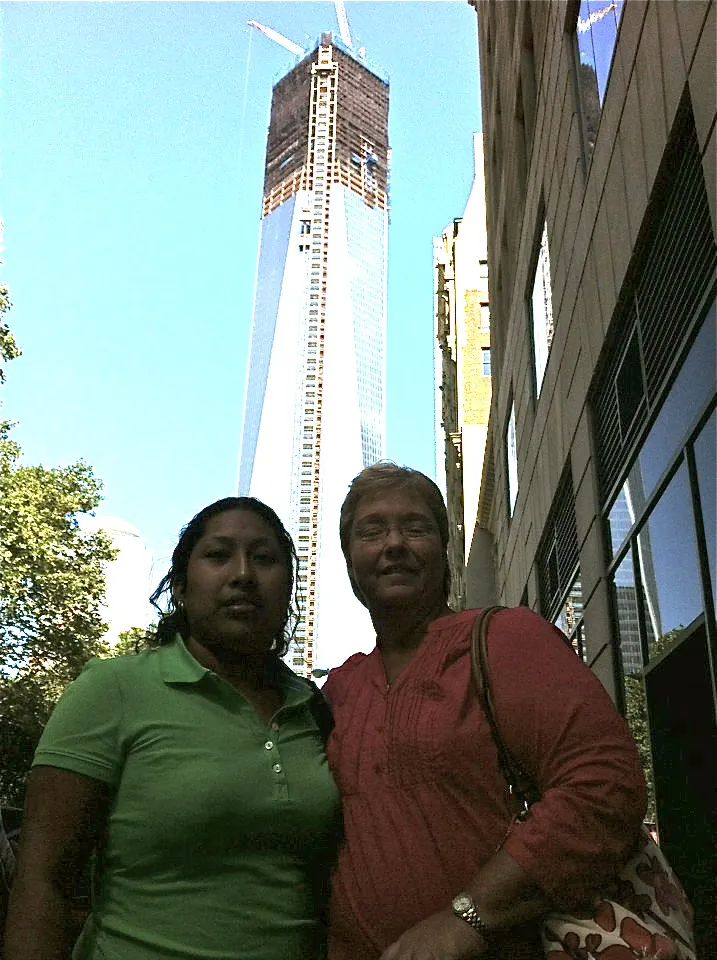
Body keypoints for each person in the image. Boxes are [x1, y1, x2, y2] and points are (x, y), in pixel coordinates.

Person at [323, 463, 647, 960]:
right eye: (372, 531)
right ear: (348, 562)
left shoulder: (505, 638)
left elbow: (605, 783)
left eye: (415, 528)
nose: (394, 543)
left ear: (444, 551)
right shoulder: (339, 691)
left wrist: (467, 917)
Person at [4, 497, 341, 960]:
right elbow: (43, 881)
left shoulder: (313, 708)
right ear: (180, 586)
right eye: (218, 555)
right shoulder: (113, 688)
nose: (243, 574)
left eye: (264, 559)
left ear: (289, 587)